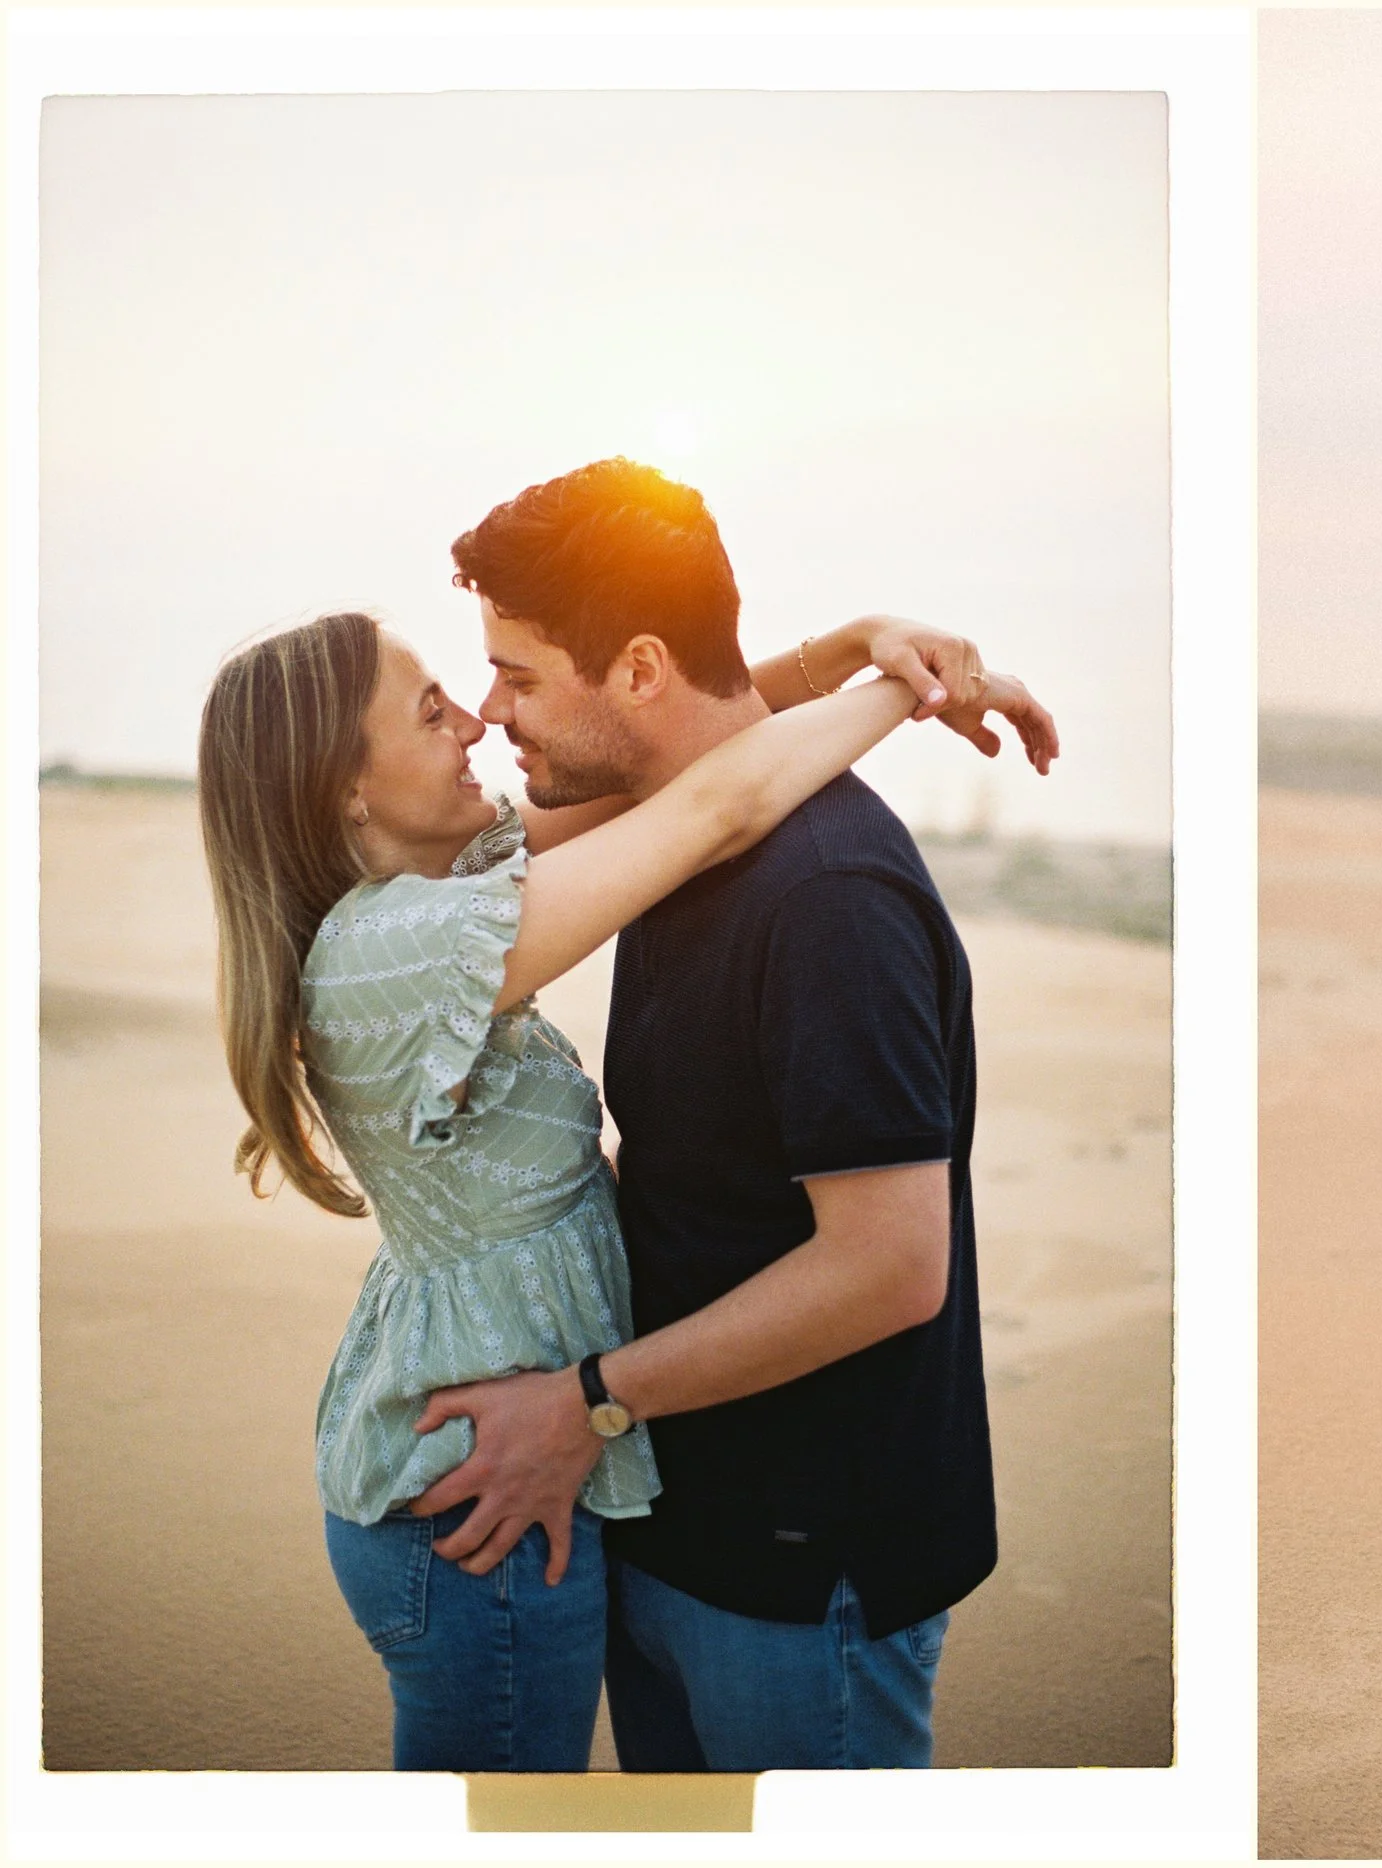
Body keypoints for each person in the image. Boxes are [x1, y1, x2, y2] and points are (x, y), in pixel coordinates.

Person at [198, 529, 1052, 1771]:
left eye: (502, 680)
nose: (479, 719)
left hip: (525, 1455)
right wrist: (902, 685)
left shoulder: (448, 889)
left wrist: (853, 646)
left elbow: (677, 750)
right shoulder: (396, 950)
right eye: (434, 709)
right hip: (480, 1476)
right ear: (345, 789)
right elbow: (711, 802)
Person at [394, 458, 1017, 1770]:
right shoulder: (667, 836)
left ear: (635, 670)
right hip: (668, 1515)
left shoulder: (827, 893)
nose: (492, 712)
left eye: (515, 674)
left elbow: (889, 1267)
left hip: (806, 1568)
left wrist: (584, 1404)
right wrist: (856, 649)